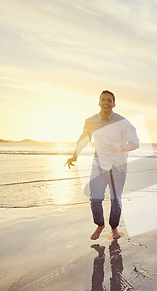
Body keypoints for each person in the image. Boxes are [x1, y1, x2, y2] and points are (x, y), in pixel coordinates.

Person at [65, 90, 139, 240]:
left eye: (109, 100)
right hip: (99, 165)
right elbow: (83, 139)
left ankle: (114, 228)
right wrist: (74, 155)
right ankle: (100, 225)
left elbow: (135, 143)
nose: (106, 102)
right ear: (99, 103)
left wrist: (121, 148)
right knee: (95, 199)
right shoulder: (90, 121)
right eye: (103, 100)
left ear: (114, 104)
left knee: (116, 200)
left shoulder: (123, 122)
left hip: (118, 167)